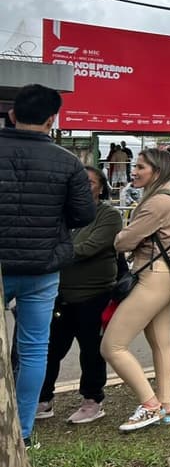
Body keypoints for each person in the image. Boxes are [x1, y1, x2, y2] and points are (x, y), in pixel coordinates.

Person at [0, 84, 96, 448]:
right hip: (42, 269)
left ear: (12, 115)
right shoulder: (68, 162)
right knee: (34, 348)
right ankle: (22, 431)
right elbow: (83, 214)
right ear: (52, 119)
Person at [102, 148, 170, 431]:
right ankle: (164, 406)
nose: (133, 171)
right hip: (165, 276)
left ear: (157, 171)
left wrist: (121, 235)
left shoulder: (156, 203)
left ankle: (150, 405)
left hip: (152, 277)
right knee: (161, 342)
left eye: (140, 167)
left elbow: (123, 242)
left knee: (112, 346)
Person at [36, 165, 122, 424]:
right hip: (60, 294)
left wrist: (55, 252)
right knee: (50, 350)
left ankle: (92, 400)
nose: (84, 186)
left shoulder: (108, 215)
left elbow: (90, 247)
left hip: (94, 294)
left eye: (91, 182)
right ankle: (43, 398)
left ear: (101, 187)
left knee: (91, 351)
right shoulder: (63, 215)